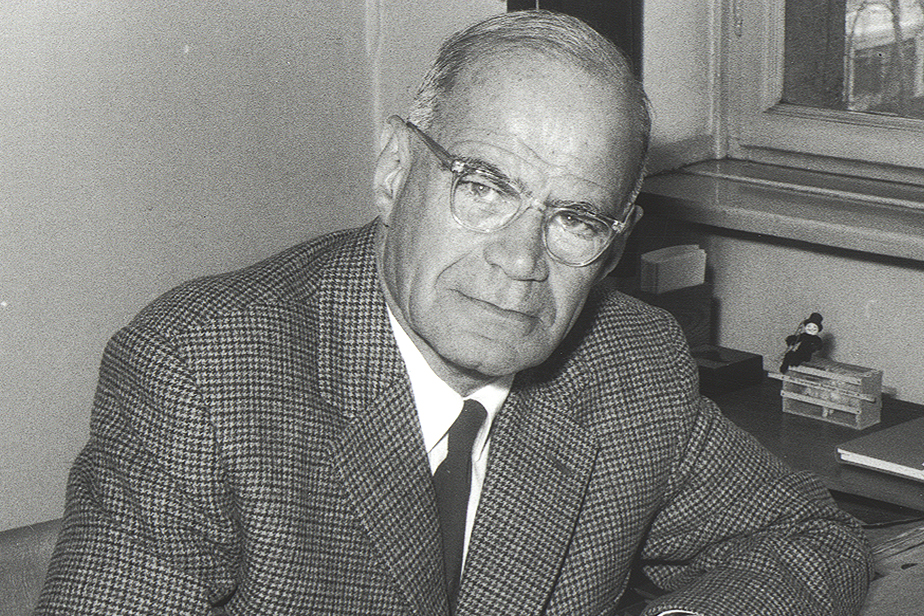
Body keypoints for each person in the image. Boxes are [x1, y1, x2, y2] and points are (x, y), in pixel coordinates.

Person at [36, 10, 870, 616]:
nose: (519, 261)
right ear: (397, 171)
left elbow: (810, 538)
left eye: (575, 219)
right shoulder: (201, 372)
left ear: (614, 246)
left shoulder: (629, 363)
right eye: (484, 187)